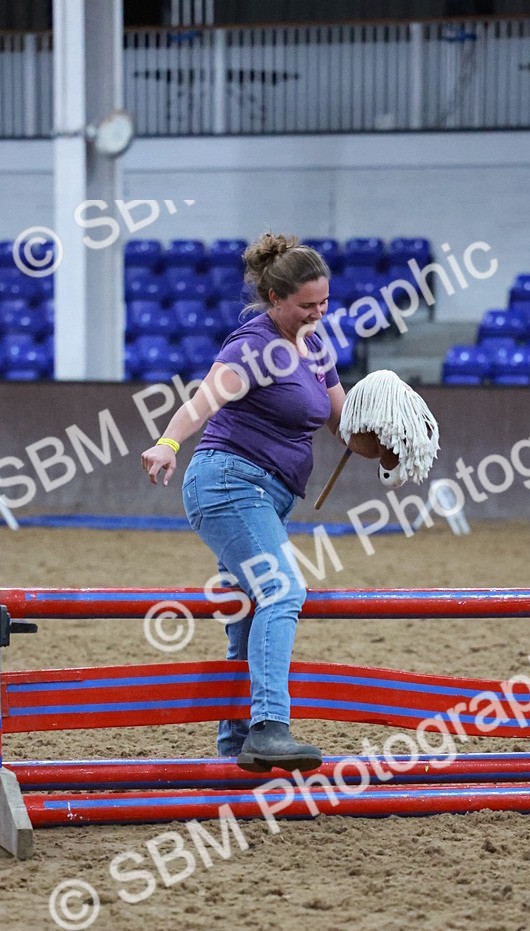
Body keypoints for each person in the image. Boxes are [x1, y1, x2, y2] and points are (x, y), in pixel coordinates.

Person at [141, 232, 396, 773]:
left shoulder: (318, 349)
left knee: (248, 613)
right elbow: (203, 402)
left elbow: (346, 428)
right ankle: (269, 728)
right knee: (282, 590)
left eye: (325, 303)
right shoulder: (251, 347)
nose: (318, 314)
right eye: (307, 305)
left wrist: (390, 447)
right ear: (274, 298)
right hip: (228, 484)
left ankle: (236, 748)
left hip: (266, 496)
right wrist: (167, 443)